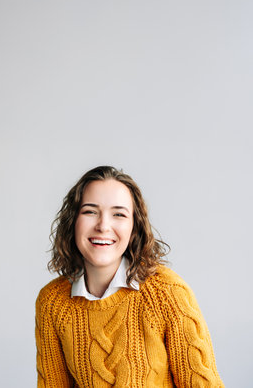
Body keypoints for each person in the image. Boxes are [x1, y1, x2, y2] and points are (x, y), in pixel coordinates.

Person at [35, 166, 224, 387]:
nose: (103, 226)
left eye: (119, 214)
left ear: (134, 227)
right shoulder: (52, 302)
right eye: (90, 211)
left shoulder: (167, 293)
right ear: (73, 221)